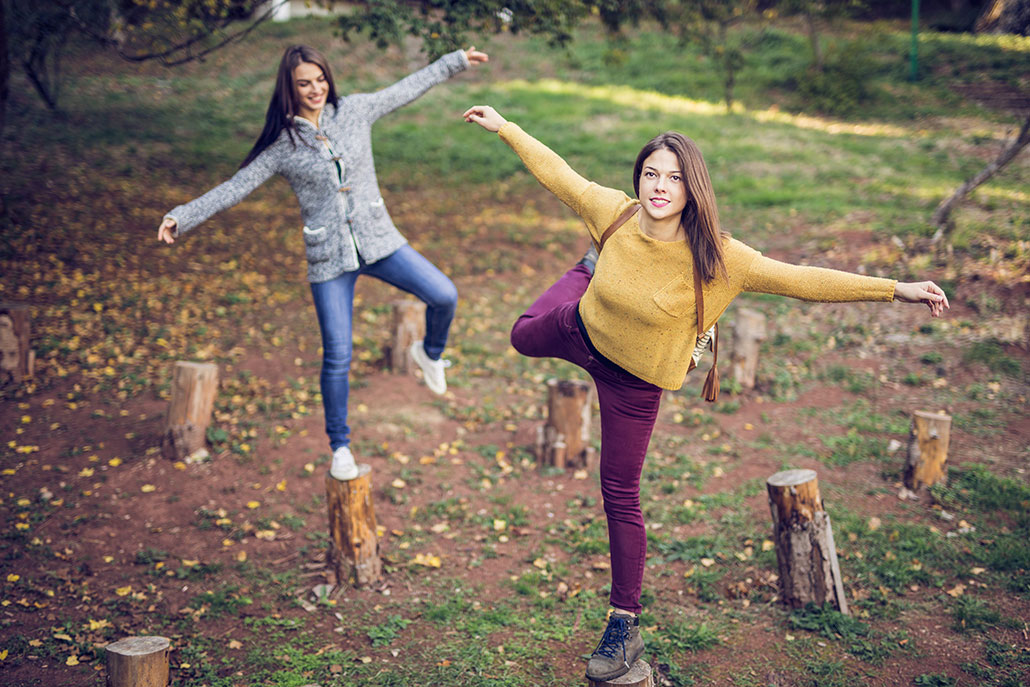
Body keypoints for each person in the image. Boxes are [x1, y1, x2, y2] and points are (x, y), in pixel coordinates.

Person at [462, 104, 948, 682]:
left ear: (692, 188)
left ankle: (623, 623)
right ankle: (586, 270)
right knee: (520, 334)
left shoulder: (721, 257)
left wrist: (898, 290)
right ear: (637, 177)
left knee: (619, 493)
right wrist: (508, 128)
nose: (659, 187)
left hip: (635, 383)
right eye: (650, 174)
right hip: (581, 330)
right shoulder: (613, 213)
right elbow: (558, 172)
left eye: (673, 177)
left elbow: (803, 280)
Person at [158, 45, 488, 481]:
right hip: (329, 260)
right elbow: (236, 186)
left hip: (380, 242)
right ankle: (340, 448)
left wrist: (454, 62)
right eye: (304, 84)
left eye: (320, 80)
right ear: (289, 90)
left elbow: (406, 89)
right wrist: (183, 215)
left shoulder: (354, 111)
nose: (315, 90)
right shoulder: (283, 146)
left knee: (444, 294)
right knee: (338, 355)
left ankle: (429, 355)